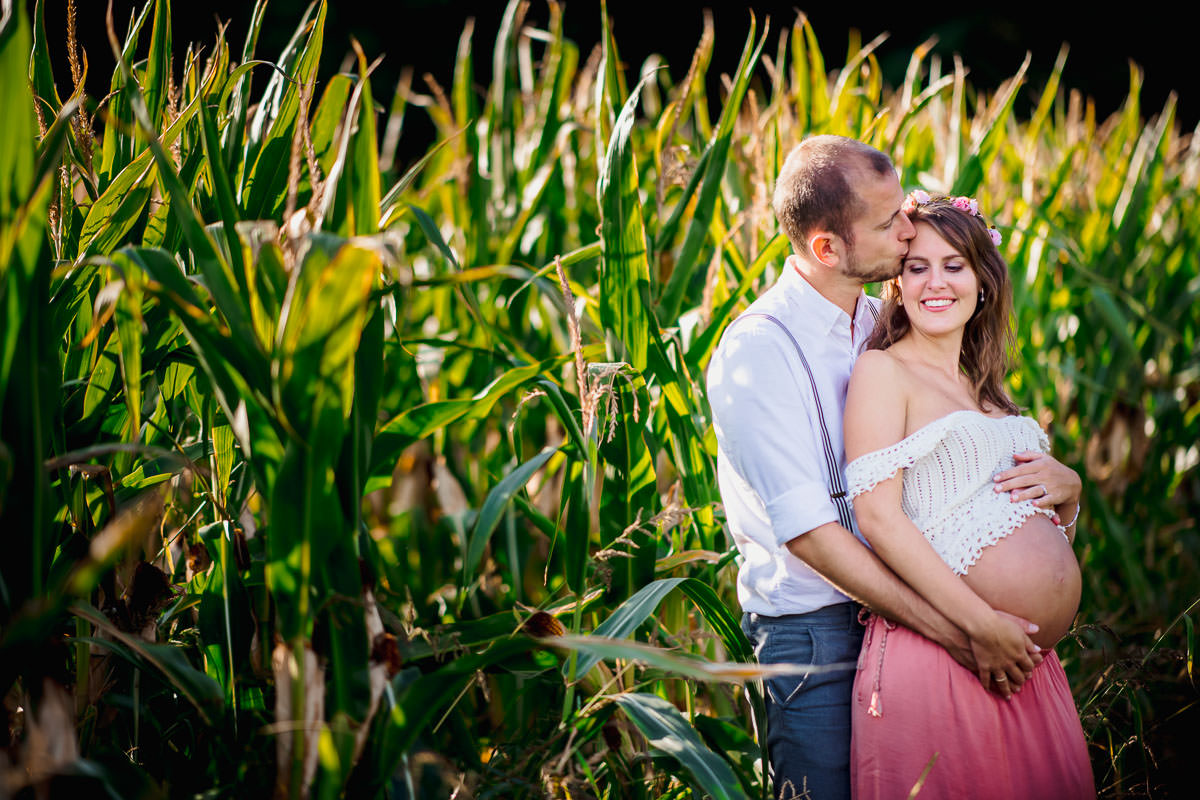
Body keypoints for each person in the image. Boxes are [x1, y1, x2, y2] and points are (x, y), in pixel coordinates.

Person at [706, 135, 1077, 800]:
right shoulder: (759, 352)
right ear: (827, 248)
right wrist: (965, 631)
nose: (908, 230)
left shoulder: (880, 321)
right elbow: (813, 534)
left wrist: (1064, 490)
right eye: (889, 224)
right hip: (818, 635)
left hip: (918, 618)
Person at [844, 192, 1093, 798]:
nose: (936, 282)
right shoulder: (884, 372)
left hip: (1024, 663)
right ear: (896, 284)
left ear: (983, 280)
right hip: (951, 648)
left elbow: (1035, 531)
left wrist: (1070, 495)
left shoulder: (989, 391)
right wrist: (981, 625)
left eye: (954, 265)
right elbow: (877, 515)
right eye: (917, 266)